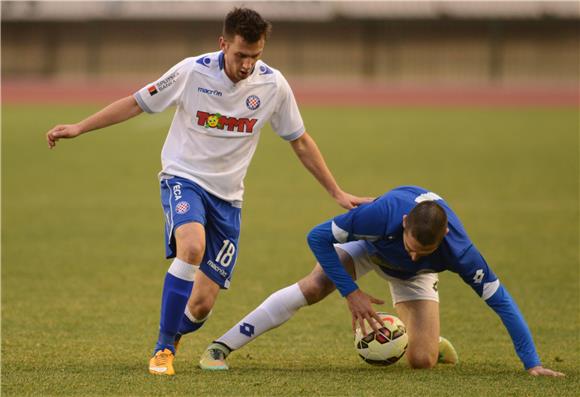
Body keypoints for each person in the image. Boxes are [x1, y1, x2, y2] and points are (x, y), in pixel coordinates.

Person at [45, 7, 370, 376]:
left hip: (229, 199)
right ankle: (163, 349)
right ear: (223, 44)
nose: (247, 64)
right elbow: (137, 102)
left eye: (256, 55)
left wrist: (336, 192)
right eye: (240, 55)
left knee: (200, 305)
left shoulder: (273, 85)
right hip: (184, 179)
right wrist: (79, 127)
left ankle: (175, 332)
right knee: (192, 246)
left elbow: (300, 141)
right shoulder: (191, 71)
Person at [200, 186, 564, 377]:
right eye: (412, 246)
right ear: (404, 222)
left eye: (426, 250)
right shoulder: (379, 216)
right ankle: (221, 346)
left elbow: (501, 301)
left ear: (445, 235)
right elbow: (316, 238)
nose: (415, 253)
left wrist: (531, 362)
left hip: (416, 281)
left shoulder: (460, 252)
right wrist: (351, 291)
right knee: (313, 286)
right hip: (371, 248)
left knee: (421, 362)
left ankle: (430, 341)